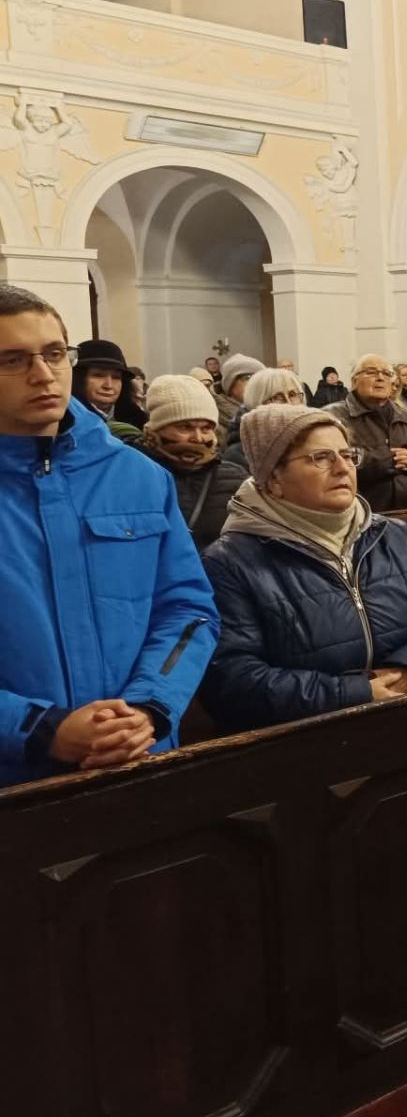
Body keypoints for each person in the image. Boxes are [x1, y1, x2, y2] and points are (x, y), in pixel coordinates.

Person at [0, 286, 218, 785]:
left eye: (55, 354)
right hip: (16, 779)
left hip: (139, 758)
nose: (43, 374)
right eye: (13, 360)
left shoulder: (137, 476)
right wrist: (39, 728)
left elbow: (187, 610)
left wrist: (149, 707)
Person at [199, 406, 407, 731]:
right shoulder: (230, 563)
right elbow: (233, 679)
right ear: (274, 478)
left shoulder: (390, 535)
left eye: (347, 455)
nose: (342, 468)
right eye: (321, 458)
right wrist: (354, 694)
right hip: (310, 741)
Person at [135, 374, 249, 550]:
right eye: (185, 427)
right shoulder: (133, 473)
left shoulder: (235, 478)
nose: (198, 438)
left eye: (206, 428)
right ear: (158, 428)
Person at [327, 354, 407, 512]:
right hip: (363, 512)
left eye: (387, 373)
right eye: (371, 372)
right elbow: (329, 459)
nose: (380, 378)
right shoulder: (332, 417)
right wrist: (388, 459)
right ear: (354, 381)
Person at [72, 338, 146, 434]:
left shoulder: (141, 423)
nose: (108, 385)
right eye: (98, 375)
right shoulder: (64, 422)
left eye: (116, 377)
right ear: (78, 379)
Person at [216, 354, 265, 435]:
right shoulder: (215, 420)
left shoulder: (265, 412)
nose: (255, 383)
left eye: (259, 378)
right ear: (230, 384)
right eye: (248, 378)